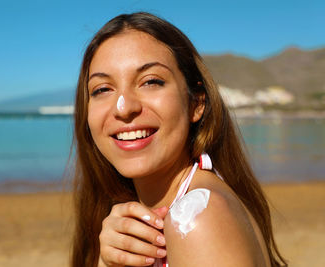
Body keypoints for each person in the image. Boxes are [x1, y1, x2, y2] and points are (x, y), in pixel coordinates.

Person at [70, 12, 287, 267]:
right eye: (102, 89)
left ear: (196, 103)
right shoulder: (169, 212)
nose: (123, 107)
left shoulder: (198, 219)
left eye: (150, 81)